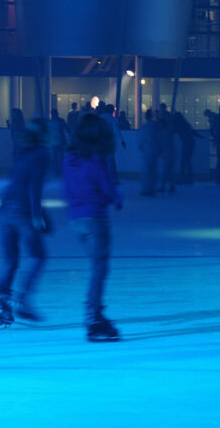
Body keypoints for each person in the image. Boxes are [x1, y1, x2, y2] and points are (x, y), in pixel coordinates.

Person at [63, 113, 123, 342]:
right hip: (95, 219)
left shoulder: (69, 157)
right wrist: (117, 199)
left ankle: (94, 311)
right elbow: (106, 187)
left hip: (76, 220)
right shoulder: (97, 158)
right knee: (99, 270)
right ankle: (93, 315)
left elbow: (68, 186)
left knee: (96, 267)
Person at [0, 117, 51, 328]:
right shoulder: (42, 155)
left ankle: (1, 304)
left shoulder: (22, 153)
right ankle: (22, 299)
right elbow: (34, 187)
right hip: (21, 211)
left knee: (11, 259)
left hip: (4, 208)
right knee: (38, 255)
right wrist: (37, 216)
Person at [173, 112, 202, 185]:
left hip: (187, 143)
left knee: (184, 161)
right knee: (187, 161)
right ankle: (189, 178)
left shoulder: (177, 125)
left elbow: (171, 131)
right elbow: (192, 132)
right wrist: (200, 136)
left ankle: (183, 177)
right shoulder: (185, 123)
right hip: (191, 142)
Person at [139, 109, 160, 196]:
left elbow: (141, 140)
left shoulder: (145, 127)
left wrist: (141, 147)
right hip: (155, 150)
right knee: (153, 171)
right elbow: (160, 139)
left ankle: (146, 189)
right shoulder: (156, 126)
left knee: (147, 171)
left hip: (147, 151)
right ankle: (152, 188)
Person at [49, 108, 69, 177]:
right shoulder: (60, 121)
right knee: (60, 157)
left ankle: (57, 171)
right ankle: (59, 171)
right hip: (59, 141)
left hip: (54, 142)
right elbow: (67, 129)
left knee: (56, 157)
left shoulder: (50, 122)